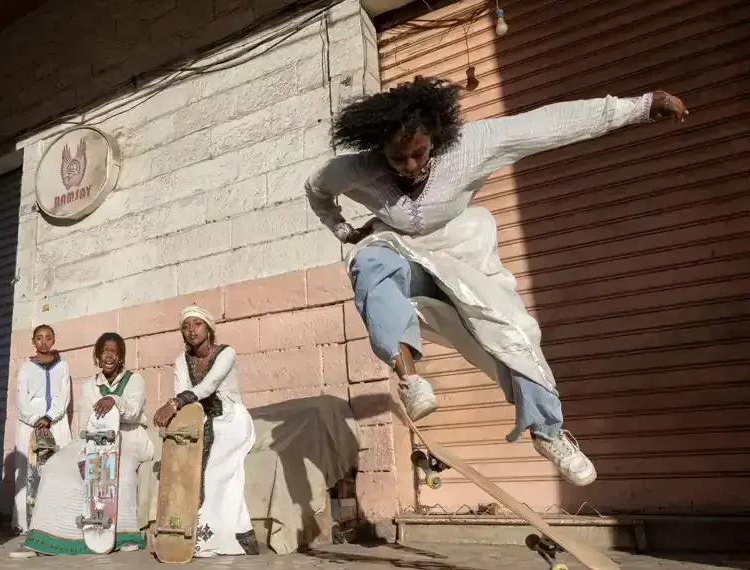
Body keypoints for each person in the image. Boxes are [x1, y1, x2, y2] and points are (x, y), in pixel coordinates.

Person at [304, 76, 689, 487]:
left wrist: (643, 106)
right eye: (398, 160)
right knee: (370, 262)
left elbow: (550, 124)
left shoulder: (474, 143)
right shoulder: (355, 169)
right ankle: (411, 380)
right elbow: (316, 189)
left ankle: (548, 432)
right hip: (401, 251)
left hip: (463, 251)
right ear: (379, 148)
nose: (411, 167)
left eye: (419, 154)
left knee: (515, 334)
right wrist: (344, 230)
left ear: (435, 136)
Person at [15, 332, 153, 556]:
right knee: (55, 466)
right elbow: (84, 428)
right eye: (104, 351)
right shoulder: (91, 385)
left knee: (120, 469)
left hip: (128, 439)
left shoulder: (134, 380)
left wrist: (114, 401)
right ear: (97, 356)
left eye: (113, 351)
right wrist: (85, 456)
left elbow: (134, 411)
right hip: (92, 441)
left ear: (120, 357)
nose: (108, 355)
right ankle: (44, 538)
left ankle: (126, 536)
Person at [152, 306, 259, 558]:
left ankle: (224, 540)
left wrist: (175, 403)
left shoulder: (226, 353)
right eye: (186, 326)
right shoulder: (181, 361)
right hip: (201, 423)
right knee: (189, 471)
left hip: (232, 421)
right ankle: (213, 537)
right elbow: (185, 396)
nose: (191, 331)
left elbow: (208, 387)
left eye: (197, 324)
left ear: (209, 329)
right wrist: (177, 410)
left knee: (212, 471)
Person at [13, 324, 71, 532]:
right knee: (31, 470)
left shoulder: (63, 367)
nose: (44, 341)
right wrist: (37, 419)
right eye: (39, 338)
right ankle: (25, 523)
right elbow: (21, 400)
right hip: (30, 425)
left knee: (58, 468)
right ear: (33, 342)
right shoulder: (25, 368)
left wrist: (49, 417)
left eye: (48, 337)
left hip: (56, 422)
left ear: (53, 340)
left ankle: (58, 520)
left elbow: (64, 396)